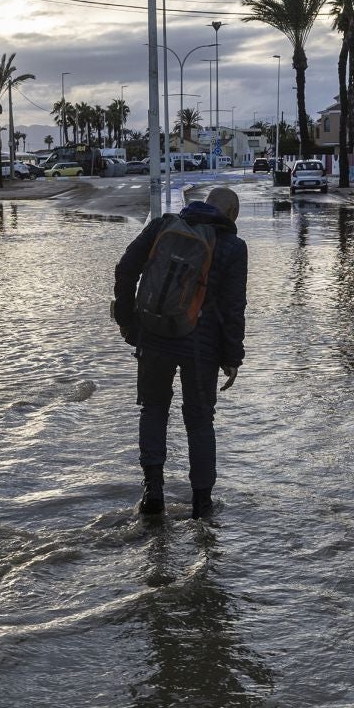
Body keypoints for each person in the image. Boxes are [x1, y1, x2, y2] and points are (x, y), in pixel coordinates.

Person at [112, 185, 247, 520]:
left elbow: (125, 268)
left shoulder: (163, 226)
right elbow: (233, 308)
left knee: (153, 410)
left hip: (154, 337)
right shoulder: (233, 246)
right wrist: (233, 357)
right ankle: (202, 506)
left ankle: (153, 495)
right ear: (230, 215)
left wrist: (129, 322)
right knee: (199, 422)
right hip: (201, 348)